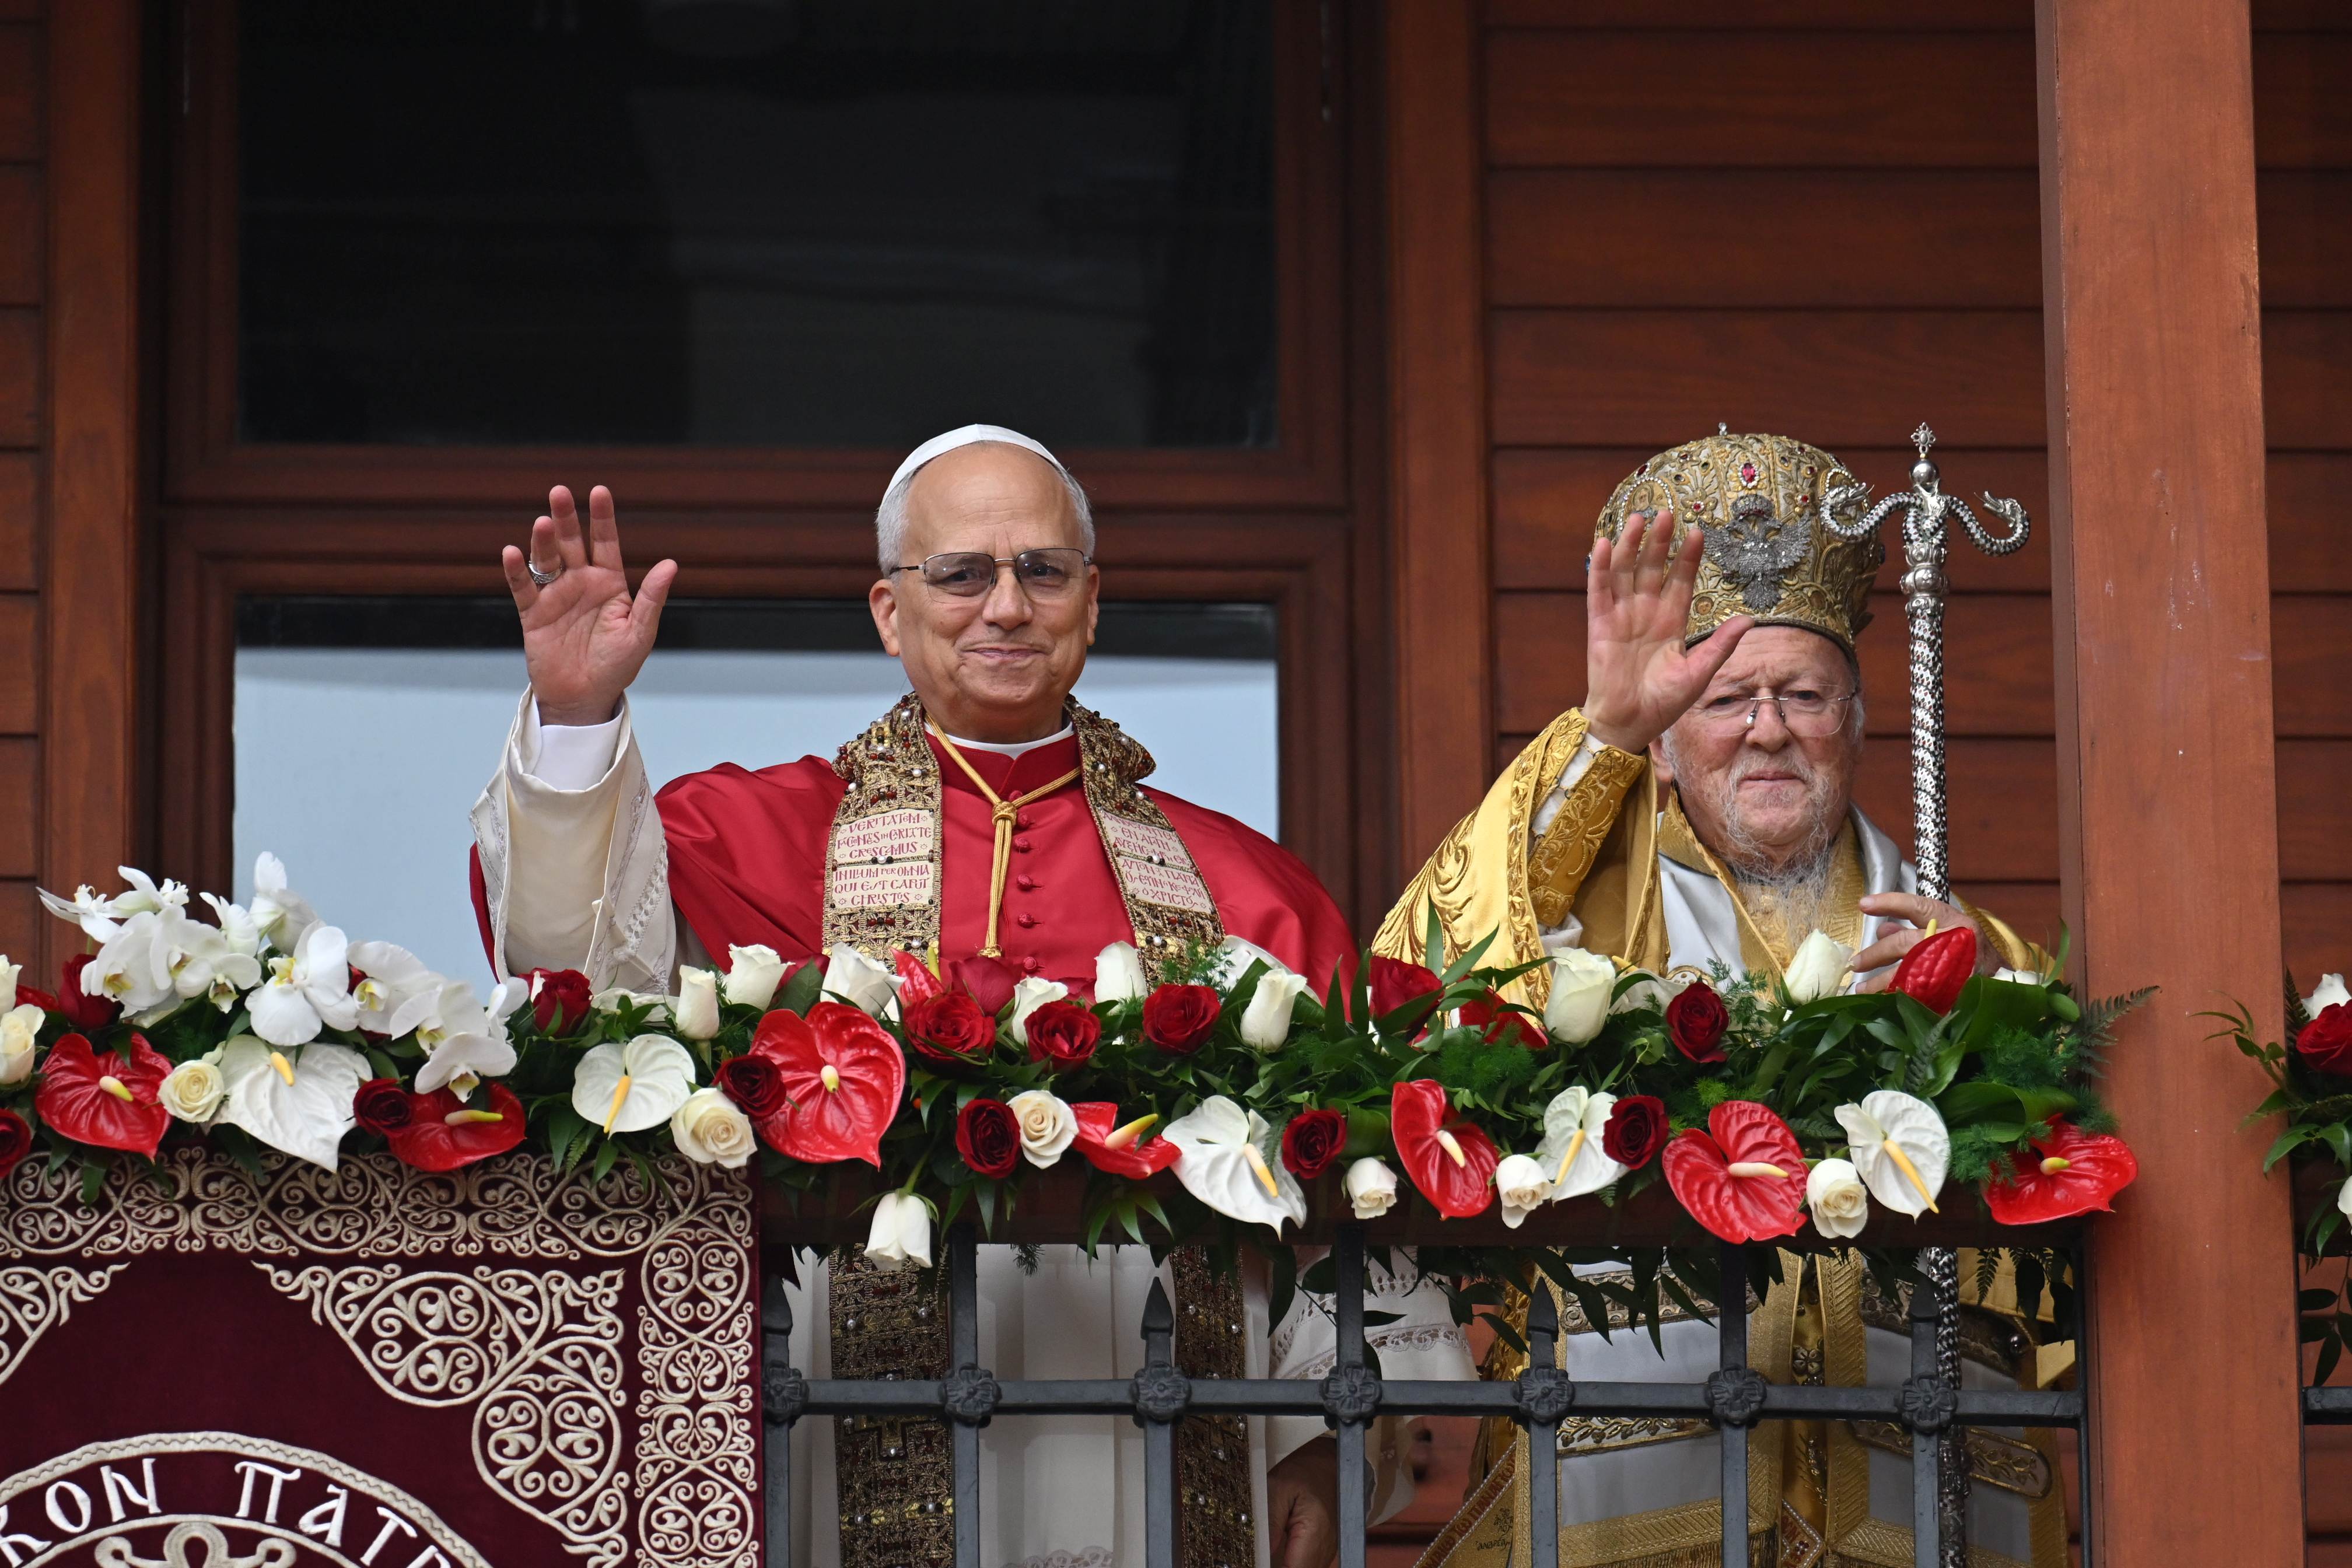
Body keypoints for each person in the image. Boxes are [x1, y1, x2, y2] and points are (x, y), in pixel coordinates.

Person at [470, 424, 1474, 1568]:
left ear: (1090, 604)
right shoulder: (751, 835)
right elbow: (587, 999)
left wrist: (1328, 1442)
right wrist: (580, 720)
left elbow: (1348, 1191)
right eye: (960, 573)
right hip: (845, 1441)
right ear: (891, 612)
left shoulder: (1248, 886)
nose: (1006, 605)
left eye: (1041, 571)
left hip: (1175, 1449)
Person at [1377, 430, 2062, 1568]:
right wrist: (1604, 735)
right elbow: (1426, 978)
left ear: (1855, 717)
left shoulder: (1958, 939)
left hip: (1911, 1500)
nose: (1770, 728)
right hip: (1640, 1495)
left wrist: (1989, 1003)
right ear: (1670, 738)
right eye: (1728, 698)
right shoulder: (1575, 909)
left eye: (1803, 693)